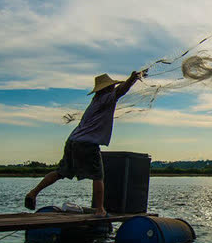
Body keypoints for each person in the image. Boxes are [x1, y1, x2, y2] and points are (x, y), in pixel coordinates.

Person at [24, 71, 143, 216]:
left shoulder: (95, 101)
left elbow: (118, 91)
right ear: (106, 89)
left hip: (72, 141)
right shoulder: (105, 99)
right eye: (110, 86)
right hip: (87, 144)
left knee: (60, 172)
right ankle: (100, 209)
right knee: (98, 176)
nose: (112, 88)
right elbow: (121, 91)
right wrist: (132, 79)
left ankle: (33, 192)